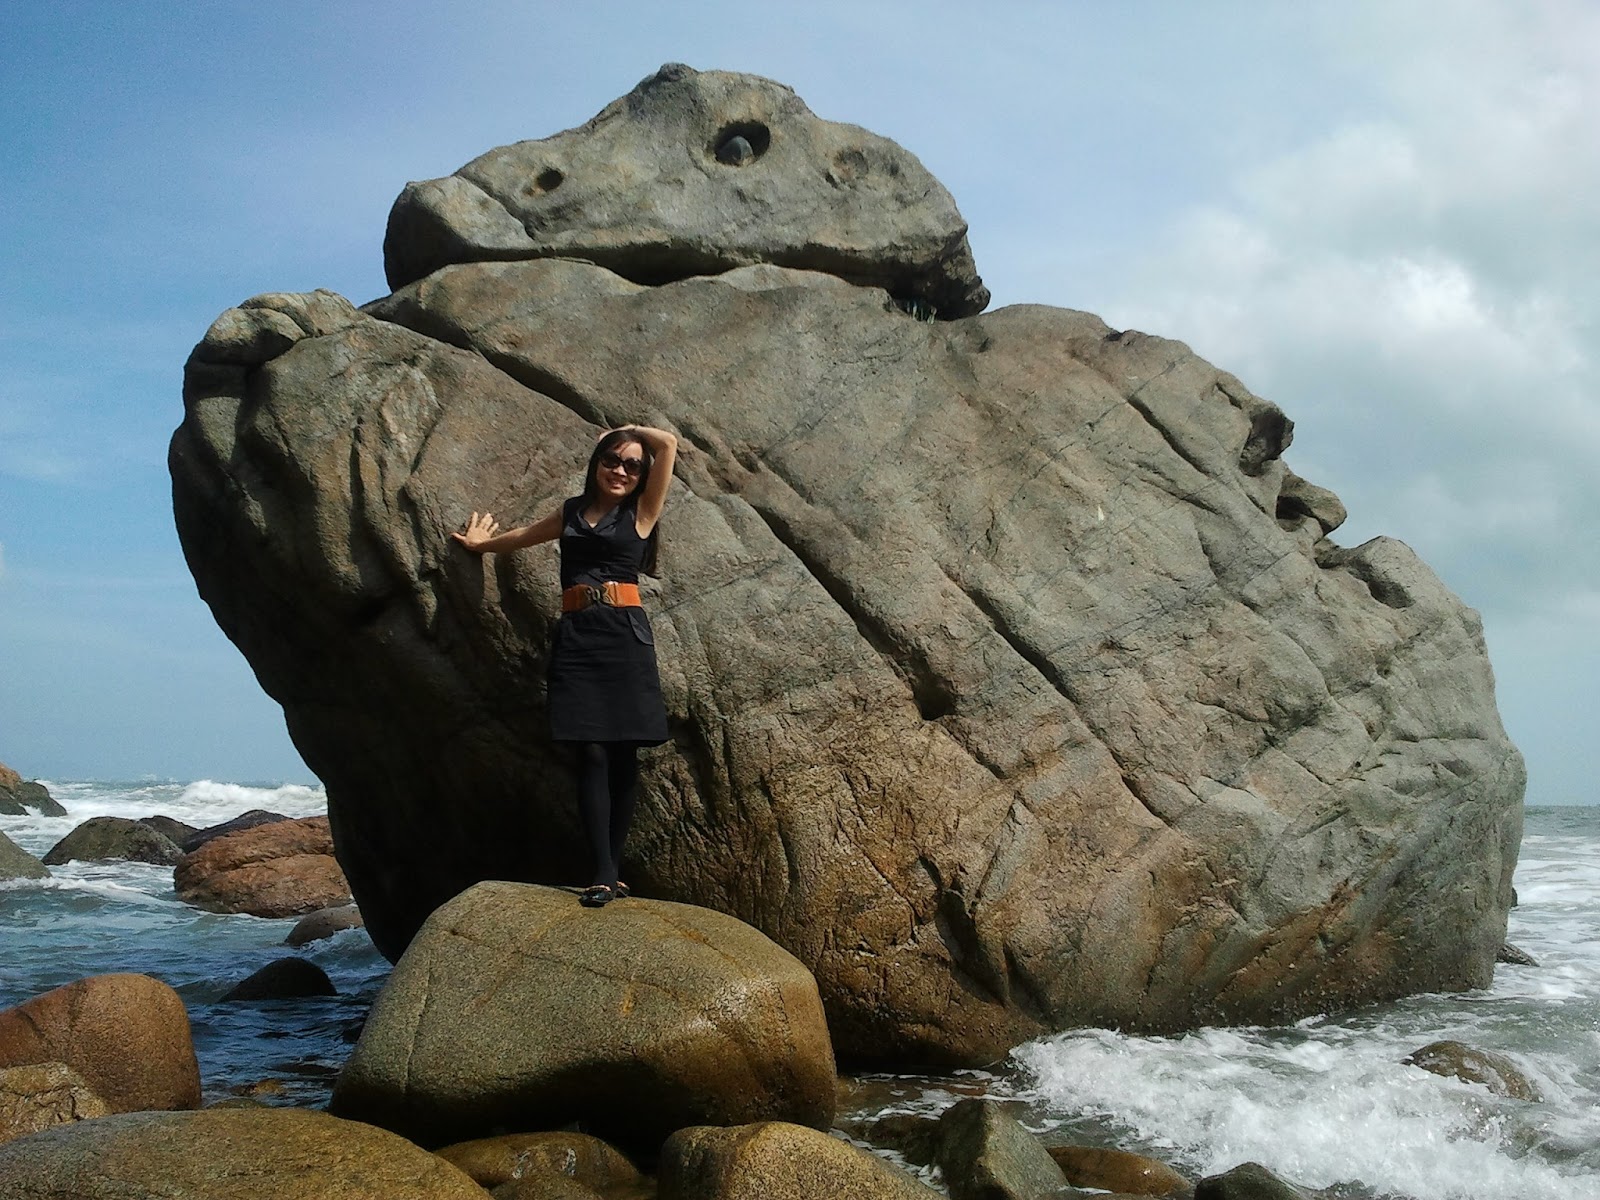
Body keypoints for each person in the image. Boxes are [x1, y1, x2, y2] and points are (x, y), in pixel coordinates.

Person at [452, 424, 678, 907]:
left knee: (624, 754)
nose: (620, 471)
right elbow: (524, 536)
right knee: (590, 751)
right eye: (611, 460)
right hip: (577, 636)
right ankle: (603, 871)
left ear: (642, 475)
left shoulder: (641, 513)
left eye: (632, 465)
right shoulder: (572, 512)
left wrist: (624, 431)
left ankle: (609, 872)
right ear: (596, 465)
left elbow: (668, 444)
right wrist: (480, 546)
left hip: (625, 637)